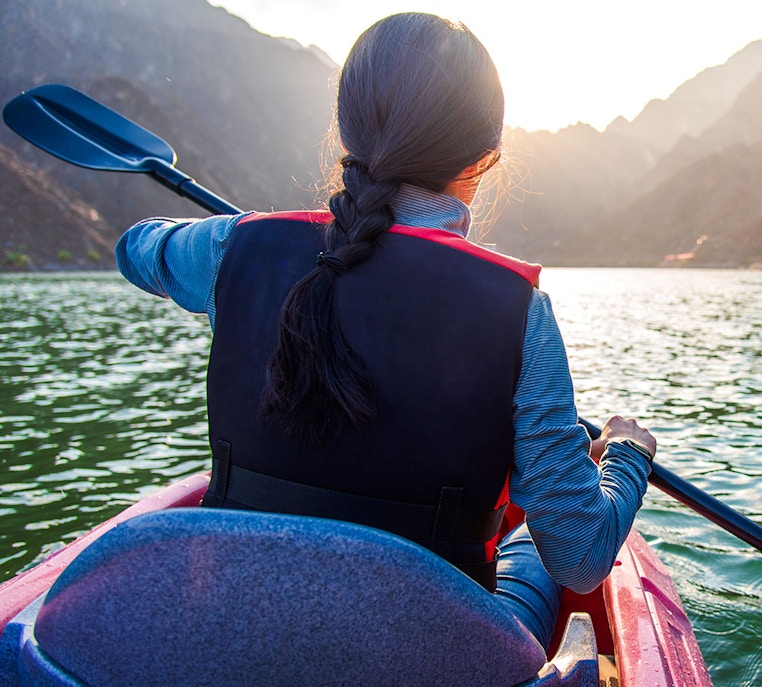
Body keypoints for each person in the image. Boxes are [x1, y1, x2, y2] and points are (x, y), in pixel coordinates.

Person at [113, 12, 655, 650]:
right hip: (425, 653)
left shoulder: (237, 248)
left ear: (347, 131)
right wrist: (626, 456)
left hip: (240, 623)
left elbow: (135, 248)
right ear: (485, 159)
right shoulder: (519, 310)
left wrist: (241, 237)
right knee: (535, 548)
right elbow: (582, 558)